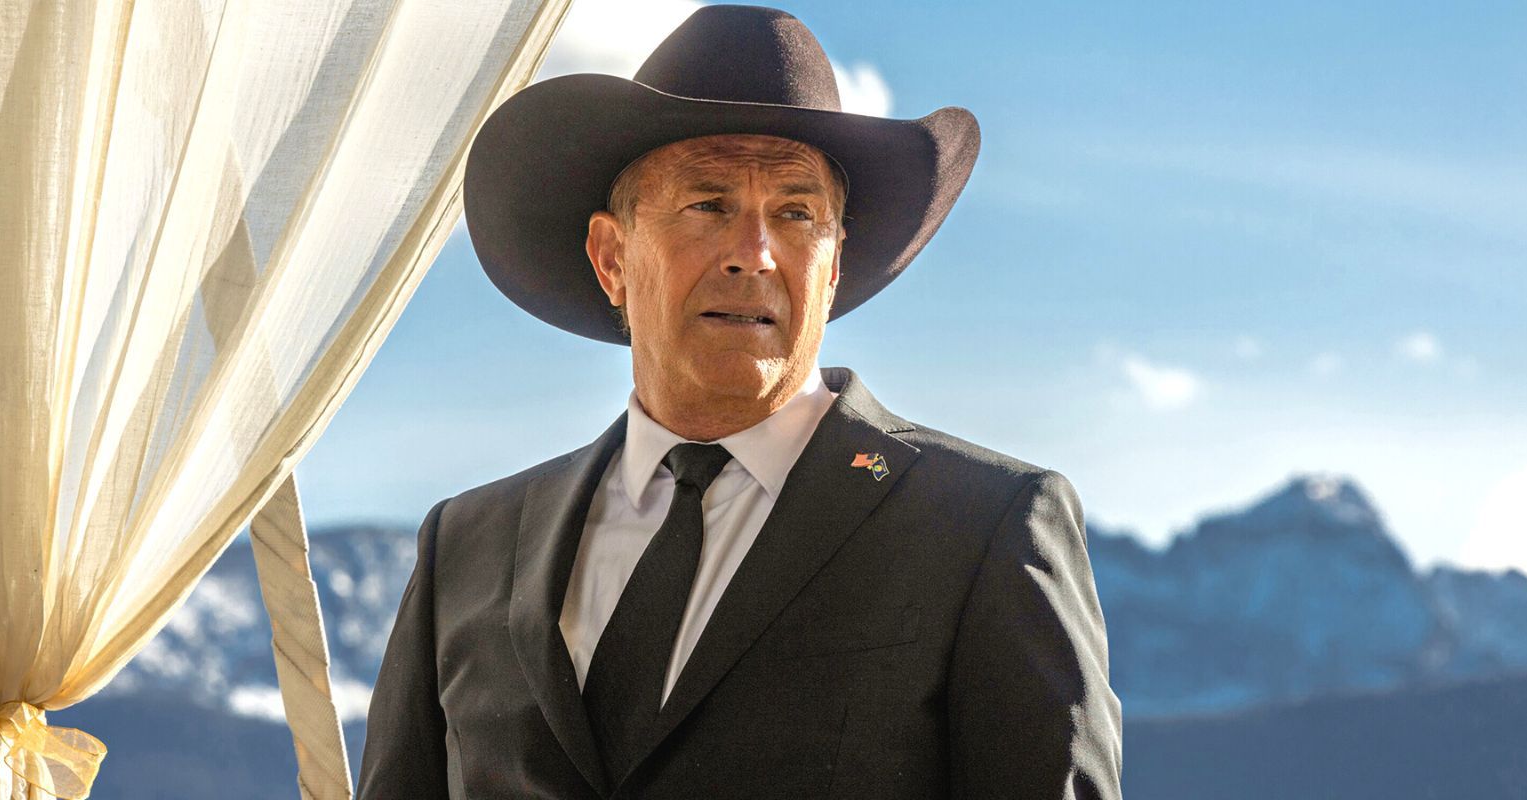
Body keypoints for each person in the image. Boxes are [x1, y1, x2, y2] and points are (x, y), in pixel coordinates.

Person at [357, 6, 1121, 799]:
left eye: (795, 214)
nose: (753, 255)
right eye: (708, 205)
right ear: (612, 258)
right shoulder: (466, 548)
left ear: (832, 269)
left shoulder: (983, 528)